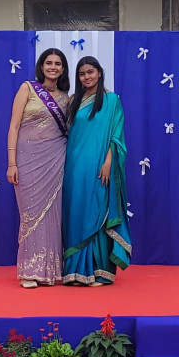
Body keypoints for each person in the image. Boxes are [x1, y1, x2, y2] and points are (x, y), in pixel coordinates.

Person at [62, 56, 131, 285]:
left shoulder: (111, 100)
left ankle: (100, 271)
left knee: (98, 209)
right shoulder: (74, 101)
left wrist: (109, 161)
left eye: (90, 72)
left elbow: (117, 134)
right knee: (77, 211)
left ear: (99, 72)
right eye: (82, 74)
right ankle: (75, 271)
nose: (86, 77)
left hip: (100, 165)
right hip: (74, 167)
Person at [7, 48, 70, 288]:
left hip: (55, 160)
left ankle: (49, 270)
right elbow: (14, 127)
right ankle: (29, 271)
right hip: (26, 160)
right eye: (49, 63)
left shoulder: (66, 98)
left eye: (58, 63)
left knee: (53, 214)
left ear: (63, 69)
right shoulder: (27, 88)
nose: (53, 67)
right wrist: (11, 163)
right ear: (42, 66)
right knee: (30, 214)